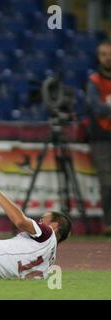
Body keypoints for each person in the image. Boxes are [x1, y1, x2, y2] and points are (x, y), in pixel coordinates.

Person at [86, 39, 111, 235]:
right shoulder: (94, 81)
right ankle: (108, 224)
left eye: (109, 53)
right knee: (107, 182)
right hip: (101, 138)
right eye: (103, 54)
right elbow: (96, 108)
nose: (108, 57)